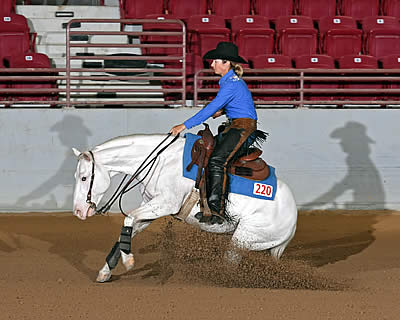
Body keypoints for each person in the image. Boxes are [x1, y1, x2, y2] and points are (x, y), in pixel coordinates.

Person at [170, 42, 260, 224]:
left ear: (226, 63)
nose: (211, 64)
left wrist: (184, 126)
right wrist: (225, 111)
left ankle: (216, 211)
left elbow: (211, 107)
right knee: (209, 156)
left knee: (218, 161)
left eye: (215, 61)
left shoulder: (231, 84)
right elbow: (239, 104)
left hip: (242, 128)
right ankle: (205, 202)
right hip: (235, 126)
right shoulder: (231, 82)